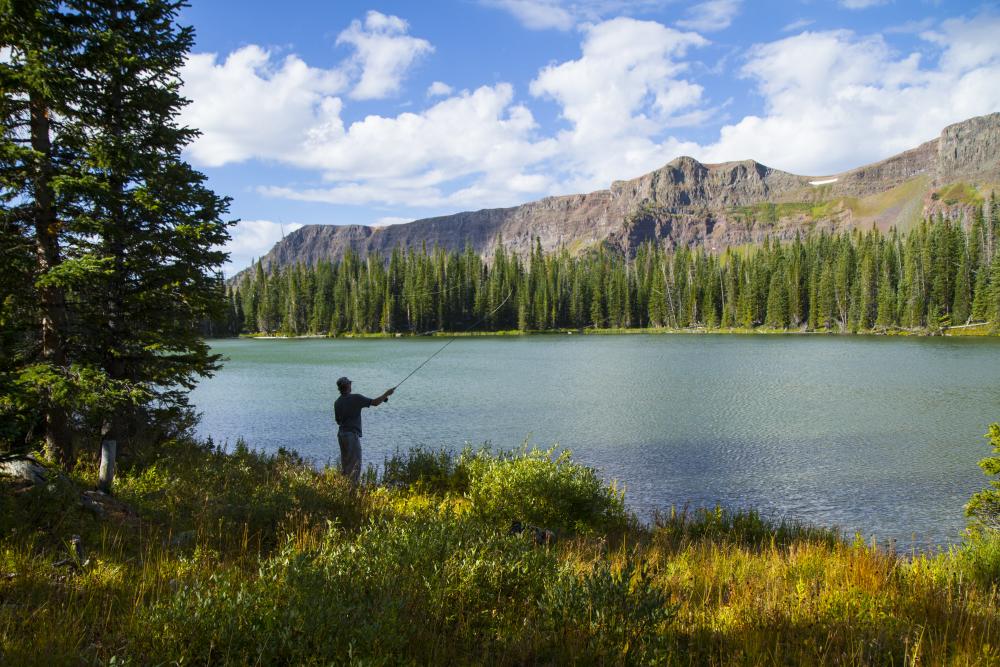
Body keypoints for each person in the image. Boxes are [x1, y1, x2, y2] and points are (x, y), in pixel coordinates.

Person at [333, 376, 394, 484]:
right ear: (347, 386)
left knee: (346, 465)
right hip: (351, 436)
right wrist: (386, 394)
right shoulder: (356, 398)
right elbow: (374, 402)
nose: (351, 385)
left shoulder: (337, 402)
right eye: (350, 384)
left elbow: (338, 421)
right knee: (355, 465)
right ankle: (352, 492)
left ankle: (343, 489)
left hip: (341, 435)